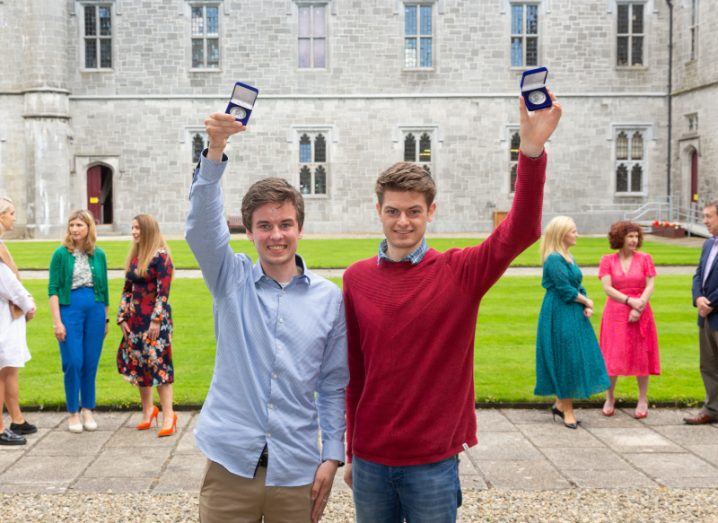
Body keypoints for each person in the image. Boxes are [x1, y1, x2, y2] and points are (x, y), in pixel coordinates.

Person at [342, 94, 561, 522]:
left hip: (431, 462)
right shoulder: (356, 278)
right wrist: (351, 449)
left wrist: (530, 153)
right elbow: (355, 373)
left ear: (431, 212)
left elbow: (520, 232)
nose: (402, 221)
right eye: (392, 211)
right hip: (370, 460)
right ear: (378, 211)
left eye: (413, 212)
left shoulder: (460, 273)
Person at [186, 113, 348, 523]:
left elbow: (332, 383)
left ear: (300, 228)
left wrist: (331, 454)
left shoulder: (329, 298)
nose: (276, 235)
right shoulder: (230, 279)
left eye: (285, 224)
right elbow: (201, 228)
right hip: (230, 468)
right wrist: (216, 149)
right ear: (250, 232)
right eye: (264, 226)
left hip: (295, 470)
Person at [535, 216, 609, 428]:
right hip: (559, 312)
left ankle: (560, 404)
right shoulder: (554, 259)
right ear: (562, 234)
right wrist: (586, 300)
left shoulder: (568, 256)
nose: (577, 234)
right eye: (573, 231)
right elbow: (564, 290)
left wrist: (585, 303)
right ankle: (567, 410)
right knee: (566, 359)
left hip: (572, 311)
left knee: (576, 357)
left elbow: (576, 283)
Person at [48, 210, 108, 433]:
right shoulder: (60, 254)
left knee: (90, 362)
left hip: (95, 308)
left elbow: (105, 290)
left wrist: (106, 318)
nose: (74, 229)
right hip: (69, 308)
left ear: (89, 228)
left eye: (79, 225)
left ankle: (87, 409)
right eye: (71, 225)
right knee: (73, 361)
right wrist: (57, 322)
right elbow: (53, 289)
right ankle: (73, 411)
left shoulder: (98, 254)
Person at [116, 214, 176, 436]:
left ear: (148, 230)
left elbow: (163, 292)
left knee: (159, 365)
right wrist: (122, 317)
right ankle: (148, 410)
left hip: (154, 323)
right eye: (132, 228)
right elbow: (127, 289)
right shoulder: (136, 256)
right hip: (135, 320)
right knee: (140, 365)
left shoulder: (161, 257)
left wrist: (156, 320)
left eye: (137, 228)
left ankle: (169, 415)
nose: (133, 232)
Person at [598, 221, 659, 419]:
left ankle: (643, 398)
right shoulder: (607, 260)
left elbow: (650, 285)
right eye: (629, 236)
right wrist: (628, 301)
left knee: (641, 354)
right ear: (620, 238)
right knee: (612, 354)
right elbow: (607, 288)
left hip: (640, 310)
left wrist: (639, 305)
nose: (634, 240)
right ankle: (610, 397)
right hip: (615, 312)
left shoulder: (645, 259)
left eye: (636, 236)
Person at [0, 197, 37, 445]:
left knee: (10, 368)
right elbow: (6, 282)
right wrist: (28, 303)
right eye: (11, 213)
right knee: (2, 371)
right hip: (4, 315)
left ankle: (17, 419)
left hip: (9, 315)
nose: (14, 217)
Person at [685, 200, 718, 425]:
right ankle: (712, 409)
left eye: (708, 216)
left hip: (714, 310)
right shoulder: (708, 244)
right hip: (705, 315)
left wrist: (712, 302)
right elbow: (698, 275)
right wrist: (698, 298)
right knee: (708, 365)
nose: (704, 221)